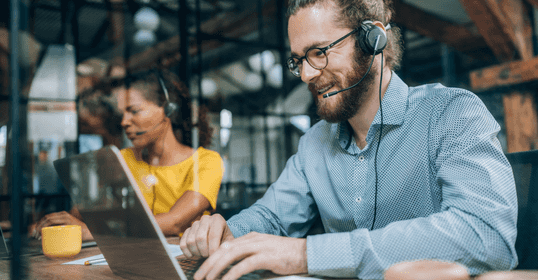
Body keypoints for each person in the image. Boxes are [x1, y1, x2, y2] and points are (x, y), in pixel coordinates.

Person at [179, 0, 518, 279]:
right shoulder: (314, 143)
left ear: (374, 40)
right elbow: (271, 217)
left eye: (319, 52)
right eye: (299, 61)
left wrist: (308, 255)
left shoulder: (452, 113)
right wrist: (227, 233)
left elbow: (486, 236)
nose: (308, 75)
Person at [32, 70, 224, 241]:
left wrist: (96, 232)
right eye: (122, 113)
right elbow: (82, 215)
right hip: (132, 257)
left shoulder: (206, 161)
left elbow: (175, 222)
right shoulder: (121, 159)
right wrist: (61, 224)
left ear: (168, 109)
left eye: (134, 111)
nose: (124, 122)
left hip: (184, 260)